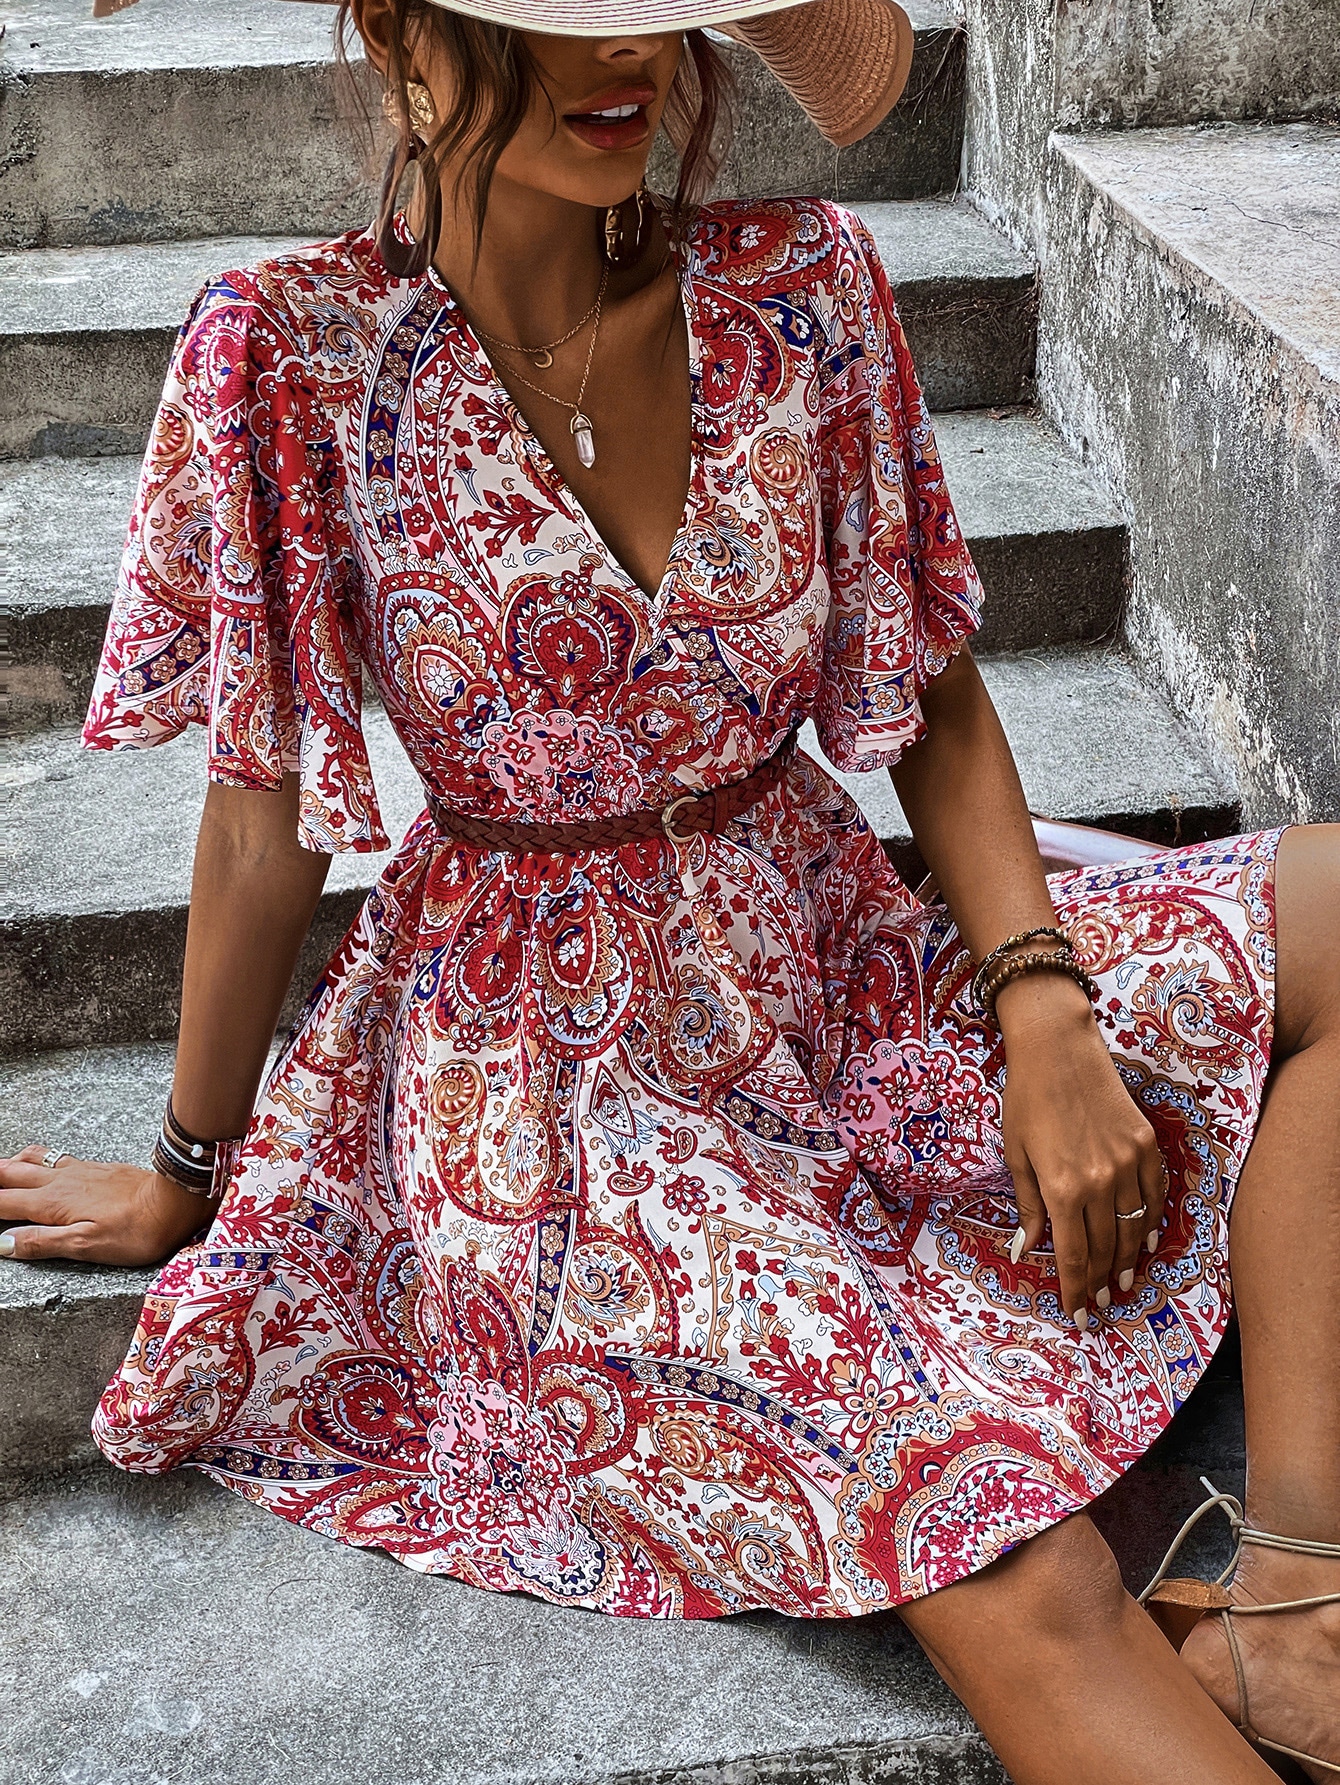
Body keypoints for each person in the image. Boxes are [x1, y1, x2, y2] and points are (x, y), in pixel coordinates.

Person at [2, 1, 1337, 1777]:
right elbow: (260, 825)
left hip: (834, 964)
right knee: (1007, 1550)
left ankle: (1294, 1594)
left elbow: (930, 698)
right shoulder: (290, 352)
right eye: (559, 10)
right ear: (399, 31)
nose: (627, 54)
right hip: (555, 1100)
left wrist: (1044, 1010)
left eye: (657, 7)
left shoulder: (804, 289)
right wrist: (190, 1171)